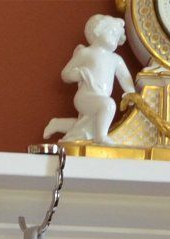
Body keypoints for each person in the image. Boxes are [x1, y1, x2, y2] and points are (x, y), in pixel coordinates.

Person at [44, 15, 135, 145]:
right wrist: (77, 74)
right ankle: (100, 137)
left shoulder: (116, 59)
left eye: (117, 35)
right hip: (85, 96)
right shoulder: (86, 53)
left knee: (86, 127)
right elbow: (65, 73)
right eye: (112, 32)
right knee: (108, 105)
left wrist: (130, 94)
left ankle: (57, 124)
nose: (115, 37)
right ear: (97, 30)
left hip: (99, 97)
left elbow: (125, 78)